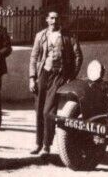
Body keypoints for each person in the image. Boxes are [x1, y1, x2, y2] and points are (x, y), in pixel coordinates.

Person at [28, 9, 84, 154]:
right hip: (43, 74)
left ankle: (47, 145)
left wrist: (71, 76)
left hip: (59, 77)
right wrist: (32, 78)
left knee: (48, 112)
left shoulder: (69, 37)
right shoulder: (40, 36)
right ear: (47, 19)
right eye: (51, 18)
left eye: (57, 18)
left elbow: (78, 56)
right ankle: (38, 144)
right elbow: (33, 58)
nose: (54, 21)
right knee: (39, 110)